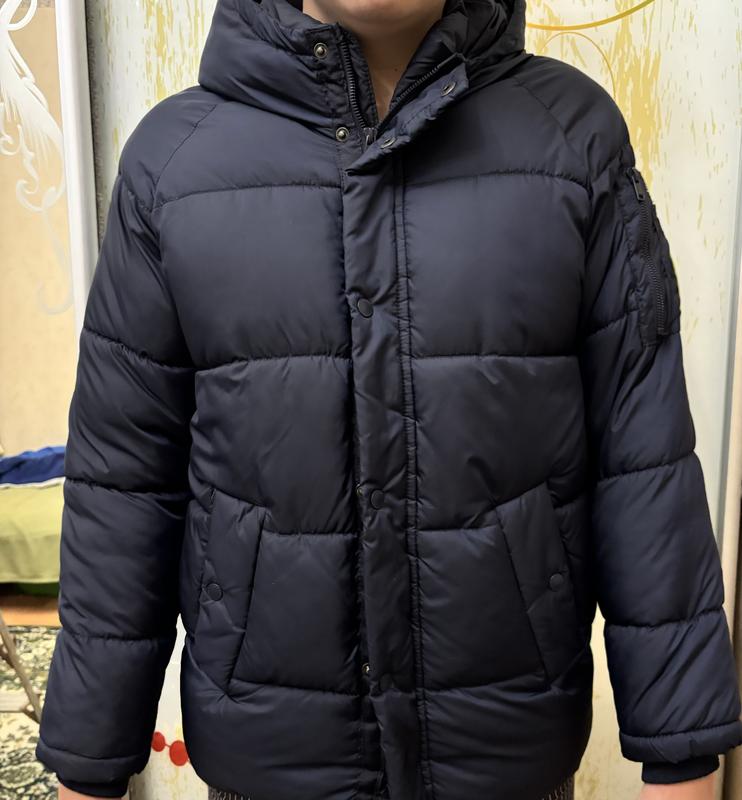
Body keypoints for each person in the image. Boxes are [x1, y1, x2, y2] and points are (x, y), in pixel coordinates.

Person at [35, 1, 742, 799]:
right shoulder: (173, 163)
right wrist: (89, 760)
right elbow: (125, 485)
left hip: (507, 757)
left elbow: (644, 465)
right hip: (267, 761)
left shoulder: (572, 138)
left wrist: (682, 752)